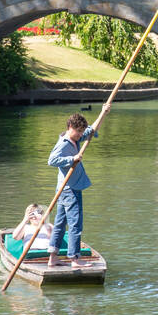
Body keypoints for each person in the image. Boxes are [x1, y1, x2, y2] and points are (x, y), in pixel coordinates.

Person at [46, 113, 95, 269]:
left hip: (64, 189)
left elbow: (91, 131)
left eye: (82, 132)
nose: (81, 135)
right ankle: (74, 258)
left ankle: (53, 258)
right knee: (75, 224)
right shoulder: (64, 143)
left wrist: (104, 112)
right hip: (70, 190)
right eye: (78, 131)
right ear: (70, 128)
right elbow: (51, 160)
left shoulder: (75, 139)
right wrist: (72, 159)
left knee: (60, 224)